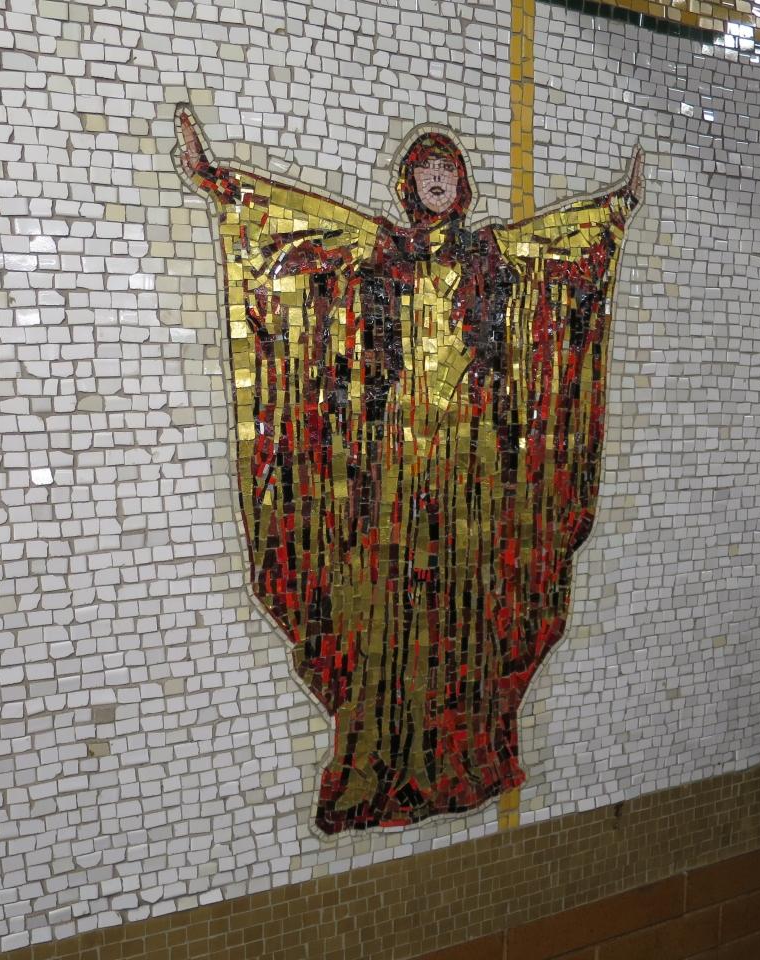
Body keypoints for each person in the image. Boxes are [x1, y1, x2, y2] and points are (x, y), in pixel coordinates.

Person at [177, 105, 644, 833]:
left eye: (447, 170)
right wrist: (222, 184)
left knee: (467, 604)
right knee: (387, 605)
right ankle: (377, 761)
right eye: (425, 169)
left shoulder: (493, 256)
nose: (436, 179)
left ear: (461, 184)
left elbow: (561, 251)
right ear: (407, 182)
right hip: (394, 469)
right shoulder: (375, 252)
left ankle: (468, 753)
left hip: (472, 473)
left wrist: (616, 210)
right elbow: (297, 231)